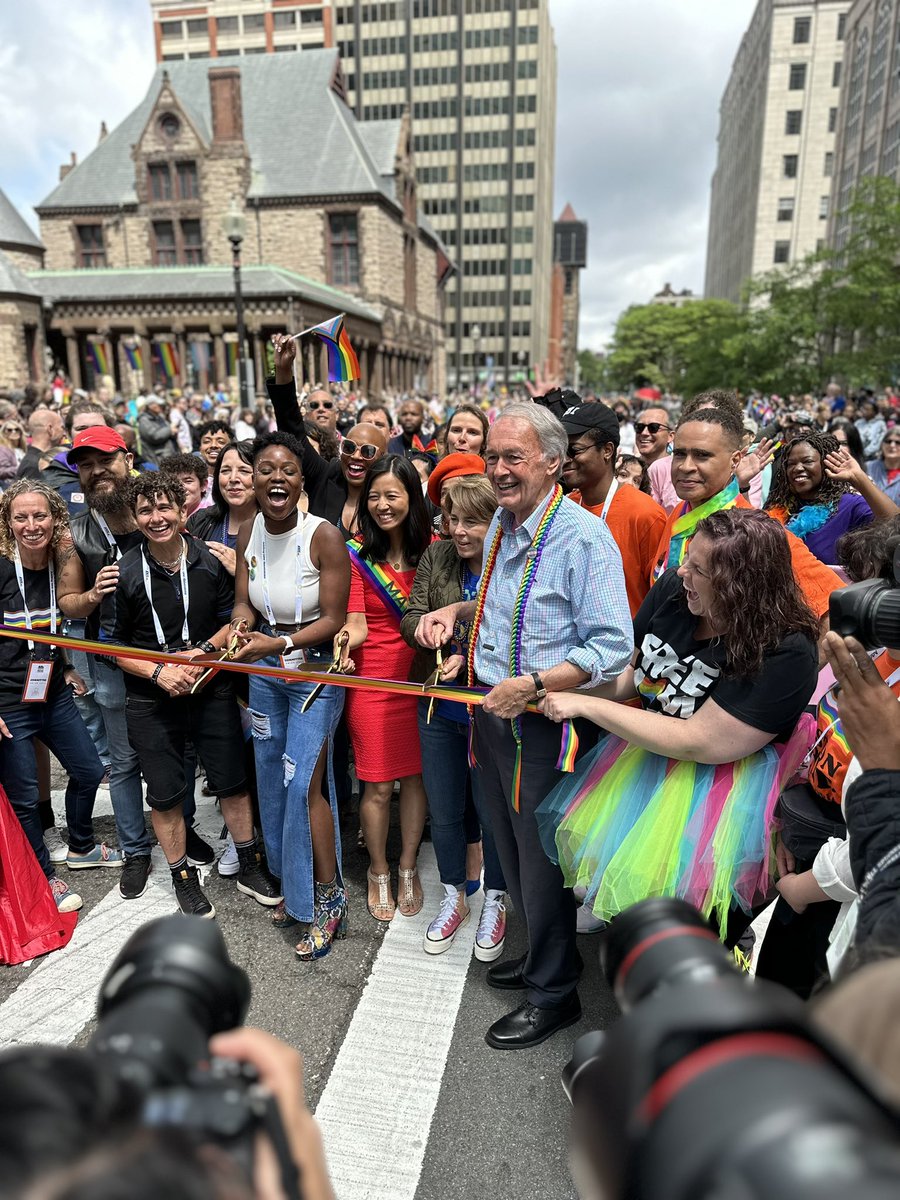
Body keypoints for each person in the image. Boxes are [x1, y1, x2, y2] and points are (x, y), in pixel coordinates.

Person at [416, 402, 633, 1050]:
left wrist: (536, 684)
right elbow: (499, 608)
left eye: (514, 457)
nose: (500, 470)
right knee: (510, 857)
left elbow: (611, 647)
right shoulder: (506, 529)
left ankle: (554, 996)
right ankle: (541, 958)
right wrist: (465, 633)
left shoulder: (583, 538)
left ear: (552, 462)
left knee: (540, 866)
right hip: (490, 716)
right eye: (494, 457)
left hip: (540, 726)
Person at [537, 508, 819, 944]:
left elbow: (700, 741)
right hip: (647, 756)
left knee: (689, 927)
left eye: (699, 569)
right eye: (687, 558)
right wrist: (553, 696)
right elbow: (639, 673)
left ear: (738, 583)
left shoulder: (786, 649)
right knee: (635, 908)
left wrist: (583, 706)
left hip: (723, 795)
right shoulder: (674, 591)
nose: (681, 572)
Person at [109, 473, 281, 918]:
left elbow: (235, 620)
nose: (156, 517)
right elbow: (113, 648)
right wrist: (161, 670)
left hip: (210, 686)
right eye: (145, 510)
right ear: (135, 517)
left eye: (164, 507)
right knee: (165, 794)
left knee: (232, 781)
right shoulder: (124, 570)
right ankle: (182, 876)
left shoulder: (208, 558)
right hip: (151, 695)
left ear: (183, 510)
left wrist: (202, 654)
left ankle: (248, 863)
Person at [229, 432, 351, 960]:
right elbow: (242, 602)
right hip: (263, 671)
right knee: (271, 783)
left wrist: (277, 642)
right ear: (252, 479)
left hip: (313, 671)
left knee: (304, 786)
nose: (276, 478)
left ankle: (329, 899)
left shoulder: (322, 536)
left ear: (302, 481)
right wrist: (238, 631)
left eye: (287, 471)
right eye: (265, 470)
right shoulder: (248, 531)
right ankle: (294, 889)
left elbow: (335, 620)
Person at [0, 481, 121, 916]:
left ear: (54, 518)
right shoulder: (1, 568)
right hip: (8, 703)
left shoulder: (58, 564)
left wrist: (65, 663)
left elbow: (50, 626)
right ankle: (43, 876)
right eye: (21, 517)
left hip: (51, 691)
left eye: (40, 516)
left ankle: (82, 845)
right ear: (8, 522)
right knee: (25, 794)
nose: (31, 526)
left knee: (89, 771)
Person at [402, 474, 508, 958]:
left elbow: (515, 629)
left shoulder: (509, 561)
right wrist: (426, 633)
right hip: (437, 704)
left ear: (496, 522)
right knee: (444, 809)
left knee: (493, 813)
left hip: (492, 709)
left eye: (473, 521)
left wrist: (468, 653)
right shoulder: (436, 556)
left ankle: (496, 899)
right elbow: (412, 614)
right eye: (452, 520)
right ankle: (453, 895)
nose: (460, 531)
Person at [334, 456, 432, 923]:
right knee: (375, 785)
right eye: (374, 496)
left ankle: (408, 866)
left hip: (421, 680)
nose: (381, 505)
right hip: (372, 682)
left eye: (392, 495)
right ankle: (378, 869)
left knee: (415, 780)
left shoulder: (435, 550)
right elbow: (356, 623)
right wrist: (343, 640)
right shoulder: (356, 556)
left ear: (411, 497)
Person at [652, 409, 843, 624]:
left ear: (735, 460)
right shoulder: (680, 514)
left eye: (702, 455)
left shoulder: (756, 530)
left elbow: (832, 603)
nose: (685, 467)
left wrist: (797, 657)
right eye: (679, 454)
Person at [267, 340, 388, 533]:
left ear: (382, 457)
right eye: (349, 447)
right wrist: (283, 372)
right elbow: (292, 430)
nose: (356, 456)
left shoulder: (391, 493)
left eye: (367, 451)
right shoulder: (326, 475)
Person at [560, 401, 666, 617]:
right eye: (560, 449)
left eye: (574, 450)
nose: (564, 459)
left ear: (607, 450)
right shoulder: (565, 506)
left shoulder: (645, 514)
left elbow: (661, 598)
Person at [765, 432, 896, 564]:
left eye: (807, 461)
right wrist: (745, 486)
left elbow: (895, 523)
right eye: (791, 464)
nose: (797, 468)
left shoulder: (849, 505)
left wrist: (858, 478)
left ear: (825, 464)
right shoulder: (780, 507)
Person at [188, 440, 257, 576]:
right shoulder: (201, 520)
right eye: (225, 471)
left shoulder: (274, 527)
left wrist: (242, 572)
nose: (233, 479)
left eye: (243, 471)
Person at [16, 408, 65, 480]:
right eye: (62, 428)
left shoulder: (33, 460)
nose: (64, 433)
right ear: (50, 429)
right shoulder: (34, 465)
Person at [159, 451, 209, 517]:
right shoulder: (159, 516)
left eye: (188, 481)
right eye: (173, 481)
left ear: (203, 485)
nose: (181, 487)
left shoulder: (213, 517)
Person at [136, 396, 178, 465]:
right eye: (159, 404)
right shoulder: (144, 420)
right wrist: (170, 430)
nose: (161, 406)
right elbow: (154, 436)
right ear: (150, 406)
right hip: (157, 459)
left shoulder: (159, 417)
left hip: (168, 456)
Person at [864, 425, 900, 506]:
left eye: (898, 442)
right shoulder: (868, 467)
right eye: (888, 441)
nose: (892, 445)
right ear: (882, 445)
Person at [855, 395, 886, 460]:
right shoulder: (858, 423)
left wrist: (864, 453)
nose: (864, 411)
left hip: (872, 457)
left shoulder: (880, 424)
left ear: (874, 412)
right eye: (863, 409)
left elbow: (878, 442)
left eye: (867, 409)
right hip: (857, 456)